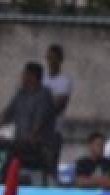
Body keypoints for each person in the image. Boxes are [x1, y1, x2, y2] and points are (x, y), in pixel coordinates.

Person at [0, 62, 57, 185]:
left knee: (38, 176)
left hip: (39, 147)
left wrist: (32, 136)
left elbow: (40, 119)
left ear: (32, 76)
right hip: (20, 143)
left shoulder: (44, 95)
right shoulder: (20, 93)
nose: (22, 77)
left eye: (25, 74)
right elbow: (8, 113)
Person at [43, 44, 72, 181]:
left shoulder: (64, 81)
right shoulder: (42, 79)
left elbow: (59, 104)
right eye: (49, 58)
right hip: (38, 130)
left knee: (51, 162)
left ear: (60, 60)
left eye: (54, 58)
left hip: (55, 129)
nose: (51, 61)